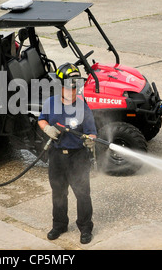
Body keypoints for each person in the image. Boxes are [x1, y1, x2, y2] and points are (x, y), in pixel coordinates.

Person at [38, 62, 97, 244]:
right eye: (68, 88)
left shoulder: (82, 107)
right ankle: (60, 224)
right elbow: (41, 120)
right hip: (56, 157)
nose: (72, 92)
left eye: (74, 88)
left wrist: (90, 140)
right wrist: (47, 128)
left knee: (82, 194)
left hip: (77, 156)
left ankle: (85, 228)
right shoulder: (50, 103)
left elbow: (92, 132)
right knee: (58, 192)